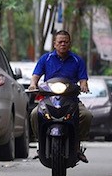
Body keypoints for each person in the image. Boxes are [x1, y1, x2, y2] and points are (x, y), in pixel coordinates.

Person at [28, 30, 92, 163]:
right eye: (60, 42)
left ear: (70, 44)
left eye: (66, 42)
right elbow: (35, 76)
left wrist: (84, 86)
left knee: (86, 115)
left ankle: (76, 145)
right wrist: (33, 84)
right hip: (49, 100)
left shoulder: (77, 60)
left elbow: (83, 80)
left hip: (71, 100)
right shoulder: (46, 59)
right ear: (55, 44)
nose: (63, 44)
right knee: (35, 114)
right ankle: (41, 144)